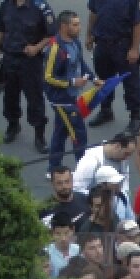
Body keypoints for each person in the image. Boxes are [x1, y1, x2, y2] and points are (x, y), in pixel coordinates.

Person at [0, 0, 55, 151]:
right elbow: (0, 31)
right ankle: (13, 125)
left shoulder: (41, 7)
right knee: (10, 96)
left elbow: (52, 34)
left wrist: (37, 47)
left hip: (30, 62)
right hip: (9, 58)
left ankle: (39, 135)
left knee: (35, 99)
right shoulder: (5, 5)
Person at [82, 0, 140, 130]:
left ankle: (135, 116)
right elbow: (93, 13)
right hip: (102, 44)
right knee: (103, 80)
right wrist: (89, 35)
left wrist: (134, 49)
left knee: (131, 82)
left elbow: (138, 23)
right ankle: (106, 110)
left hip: (123, 45)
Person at [43, 12, 93, 175]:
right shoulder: (54, 48)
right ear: (64, 26)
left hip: (72, 96)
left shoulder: (75, 43)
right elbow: (48, 77)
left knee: (61, 132)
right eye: (75, 24)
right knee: (79, 134)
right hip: (62, 100)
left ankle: (53, 168)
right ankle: (83, 171)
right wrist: (72, 82)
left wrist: (94, 78)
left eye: (79, 24)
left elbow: (81, 64)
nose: (79, 27)